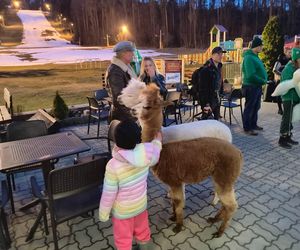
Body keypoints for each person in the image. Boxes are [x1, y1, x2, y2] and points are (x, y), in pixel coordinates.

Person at [99, 120, 162, 250]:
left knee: (123, 237)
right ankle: (144, 247)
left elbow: (108, 193)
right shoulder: (145, 154)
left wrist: (103, 213)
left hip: (123, 212)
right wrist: (158, 141)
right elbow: (155, 152)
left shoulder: (113, 165)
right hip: (140, 205)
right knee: (142, 229)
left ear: (116, 140)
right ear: (138, 137)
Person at [241, 37, 268, 136]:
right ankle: (247, 128)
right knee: (250, 107)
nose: (262, 47)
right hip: (251, 86)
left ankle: (253, 124)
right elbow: (250, 75)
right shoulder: (249, 58)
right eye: (260, 45)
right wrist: (262, 80)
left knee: (256, 106)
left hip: (256, 86)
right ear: (256, 46)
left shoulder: (255, 56)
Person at [106, 41, 138, 121]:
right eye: (131, 52)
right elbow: (119, 99)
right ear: (124, 53)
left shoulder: (126, 68)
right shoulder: (115, 71)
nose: (133, 54)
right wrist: (134, 116)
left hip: (128, 115)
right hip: (123, 118)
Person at [278, 48, 300, 149]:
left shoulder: (296, 68)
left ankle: (288, 136)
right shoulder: (288, 69)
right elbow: (287, 85)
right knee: (286, 118)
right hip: (288, 98)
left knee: (290, 118)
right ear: (295, 59)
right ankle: (282, 138)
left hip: (294, 98)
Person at [195, 46, 225, 120]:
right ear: (212, 55)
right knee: (207, 122)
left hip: (217, 98)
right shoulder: (206, 69)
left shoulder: (219, 67)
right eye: (218, 54)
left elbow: (220, 81)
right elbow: (202, 89)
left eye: (221, 54)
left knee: (216, 121)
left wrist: (221, 93)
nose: (220, 56)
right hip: (208, 100)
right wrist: (206, 104)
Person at [273, 47, 292, 115]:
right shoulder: (280, 60)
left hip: (286, 79)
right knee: (280, 94)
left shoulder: (291, 60)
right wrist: (282, 75)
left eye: (291, 52)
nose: (290, 54)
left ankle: (287, 108)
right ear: (285, 52)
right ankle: (280, 109)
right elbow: (274, 70)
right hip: (279, 79)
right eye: (289, 52)